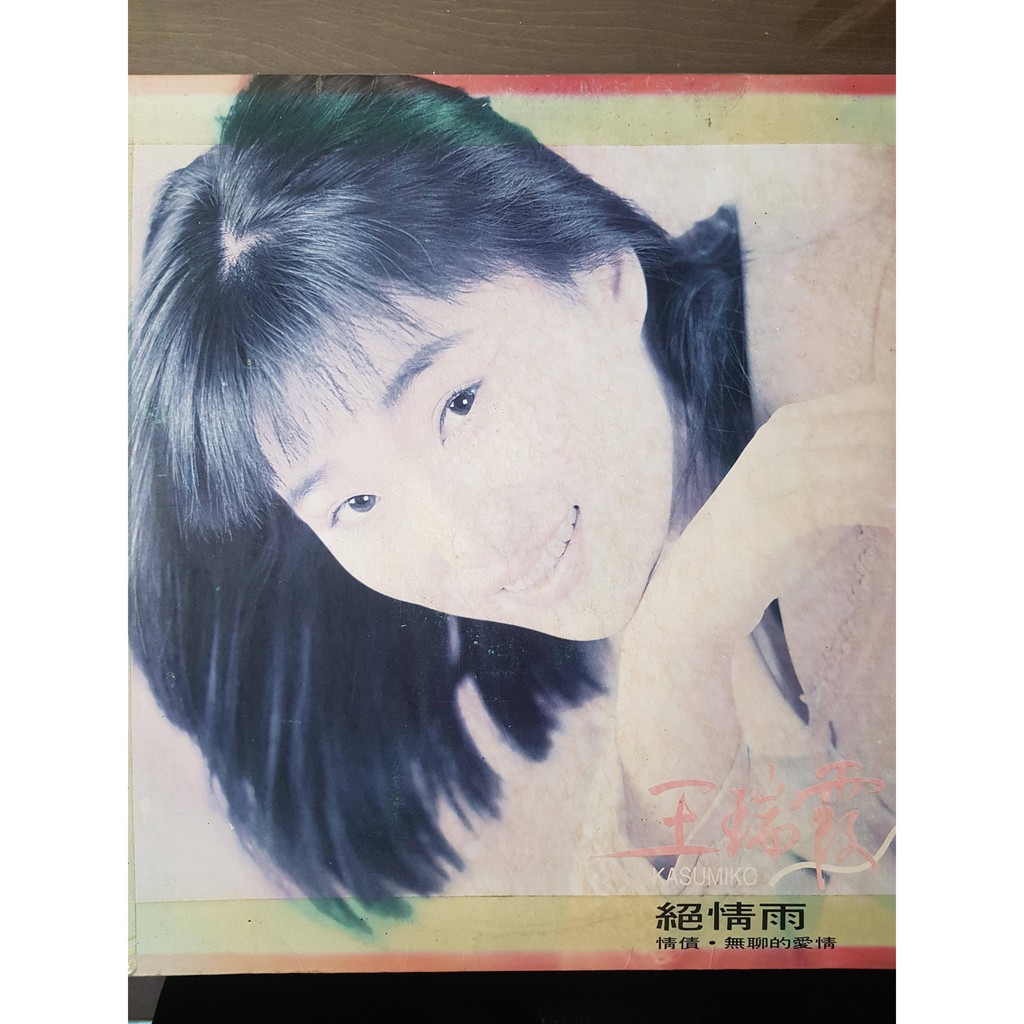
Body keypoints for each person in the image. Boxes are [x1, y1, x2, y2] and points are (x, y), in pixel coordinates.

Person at [130, 75, 895, 919]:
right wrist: (676, 655)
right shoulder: (610, 679)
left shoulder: (877, 305)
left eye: (459, 404)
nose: (470, 544)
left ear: (602, 273)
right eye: (356, 505)